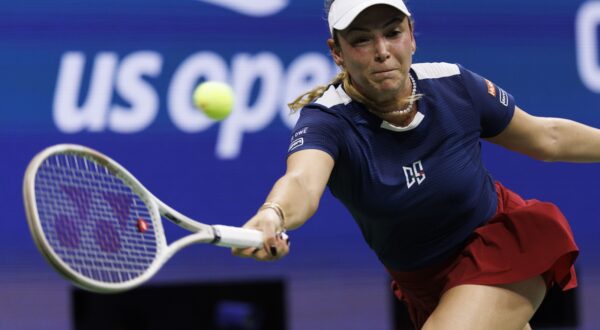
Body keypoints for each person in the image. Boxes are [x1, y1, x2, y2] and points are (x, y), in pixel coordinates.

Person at [232, 0, 593, 328]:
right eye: (361, 40)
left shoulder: (454, 85)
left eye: (393, 33)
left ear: (411, 35)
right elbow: (301, 182)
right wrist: (273, 215)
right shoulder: (328, 121)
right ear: (337, 52)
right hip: (425, 283)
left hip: (500, 244)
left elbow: (549, 138)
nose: (382, 52)